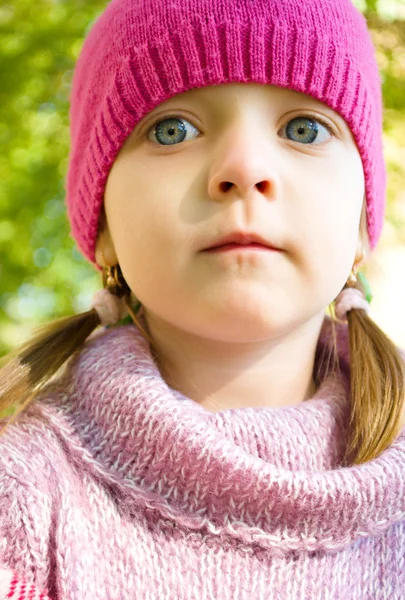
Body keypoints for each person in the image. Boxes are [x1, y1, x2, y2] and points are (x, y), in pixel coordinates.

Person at [1, 0, 405, 597]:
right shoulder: (22, 500)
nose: (245, 168)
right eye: (172, 130)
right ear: (103, 226)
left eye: (304, 129)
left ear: (361, 223)